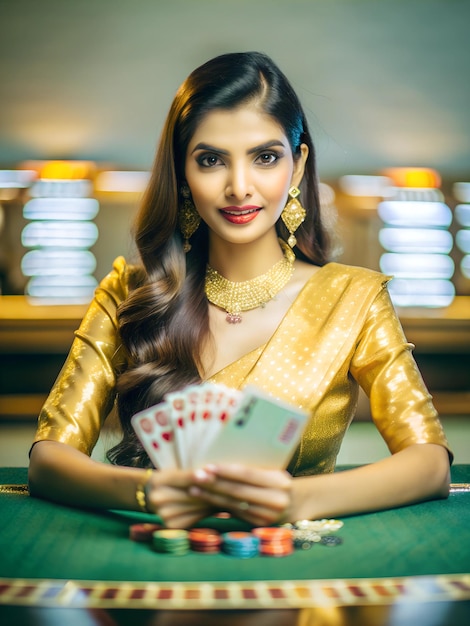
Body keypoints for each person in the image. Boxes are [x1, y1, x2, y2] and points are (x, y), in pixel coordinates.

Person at [28, 51, 452, 529]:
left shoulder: (354, 299)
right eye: (210, 160)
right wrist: (148, 491)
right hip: (153, 576)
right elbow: (48, 460)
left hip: (301, 578)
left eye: (265, 157)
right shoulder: (129, 294)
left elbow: (431, 465)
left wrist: (296, 500)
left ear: (296, 167)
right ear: (182, 175)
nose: (239, 187)